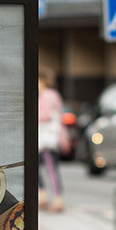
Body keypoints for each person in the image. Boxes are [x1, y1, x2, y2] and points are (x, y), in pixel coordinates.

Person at [38, 73, 66, 214]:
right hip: (46, 139)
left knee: (50, 168)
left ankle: (57, 199)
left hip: (46, 139)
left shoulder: (48, 95)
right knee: (43, 168)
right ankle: (44, 196)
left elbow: (46, 115)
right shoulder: (52, 95)